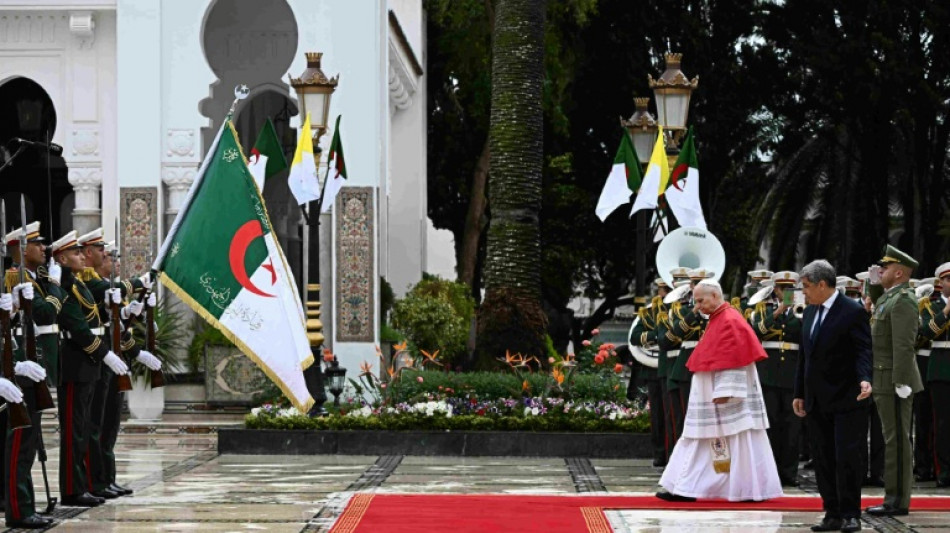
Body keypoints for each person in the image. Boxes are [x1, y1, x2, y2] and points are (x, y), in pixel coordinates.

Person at [657, 280, 783, 502]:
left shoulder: (729, 319)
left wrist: (726, 391)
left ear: (715, 295)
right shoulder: (721, 317)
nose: (697, 306)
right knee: (700, 439)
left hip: (725, 397)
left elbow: (734, 359)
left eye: (701, 300)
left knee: (732, 440)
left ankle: (742, 490)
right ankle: (687, 487)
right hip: (713, 395)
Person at [51, 230, 131, 507]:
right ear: (61, 258)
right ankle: (73, 490)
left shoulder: (77, 283)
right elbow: (78, 328)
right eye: (75, 253)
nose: (81, 256)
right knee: (75, 429)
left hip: (88, 363)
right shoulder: (64, 284)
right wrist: (105, 354)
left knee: (86, 427)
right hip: (75, 363)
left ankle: (85, 484)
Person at [793, 259, 871, 533]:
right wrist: (799, 393)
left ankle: (851, 513)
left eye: (806, 287)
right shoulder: (811, 312)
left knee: (847, 457)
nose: (804, 292)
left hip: (847, 397)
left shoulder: (852, 311)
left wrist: (865, 379)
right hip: (817, 398)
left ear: (822, 284)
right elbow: (805, 355)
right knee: (823, 457)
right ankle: (832, 513)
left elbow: (863, 349)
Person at [2, 222, 62, 528]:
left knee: (26, 444)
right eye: (37, 244)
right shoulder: (15, 277)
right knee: (19, 443)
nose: (44, 249)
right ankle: (18, 508)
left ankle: (24, 505)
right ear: (21, 249)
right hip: (15, 375)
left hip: (26, 369)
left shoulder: (26, 280)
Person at [864, 245, 924, 517]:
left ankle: (897, 501)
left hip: (895, 380)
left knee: (897, 441)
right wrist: (873, 283)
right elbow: (878, 307)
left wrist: (901, 381)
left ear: (899, 272)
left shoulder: (904, 300)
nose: (881, 270)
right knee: (893, 440)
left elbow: (903, 346)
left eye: (886, 268)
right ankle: (893, 497)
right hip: (884, 377)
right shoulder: (892, 298)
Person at [751, 271, 803, 487]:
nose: (787, 293)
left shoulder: (804, 311)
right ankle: (769, 473)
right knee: (770, 425)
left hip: (793, 374)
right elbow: (755, 333)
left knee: (792, 428)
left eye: (791, 289)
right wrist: (777, 313)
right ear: (776, 290)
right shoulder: (762, 310)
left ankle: (789, 473)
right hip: (768, 374)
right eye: (783, 289)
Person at [628, 278, 671, 466]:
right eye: (665, 289)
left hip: (678, 367)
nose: (667, 293)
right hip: (654, 370)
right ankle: (660, 453)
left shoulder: (687, 311)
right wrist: (657, 336)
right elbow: (635, 337)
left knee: (677, 414)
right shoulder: (650, 312)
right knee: (658, 416)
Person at [921, 263, 950, 486]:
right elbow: (928, 332)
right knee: (942, 423)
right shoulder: (930, 306)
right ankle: (944, 471)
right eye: (948, 280)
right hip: (941, 368)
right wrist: (947, 312)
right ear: (941, 284)